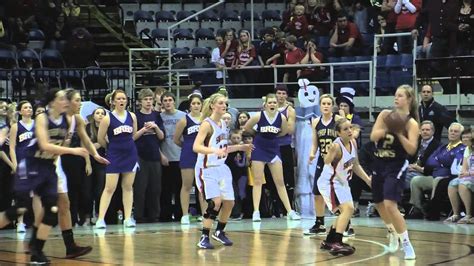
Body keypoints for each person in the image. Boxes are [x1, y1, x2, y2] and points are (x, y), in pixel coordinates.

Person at [0, 89, 89, 263]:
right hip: (31, 164)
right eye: (61, 98)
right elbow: (44, 145)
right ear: (52, 102)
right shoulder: (42, 117)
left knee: (52, 210)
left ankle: (37, 252)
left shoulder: (67, 120)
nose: (66, 101)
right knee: (20, 208)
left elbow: (68, 140)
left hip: (49, 167)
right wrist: (73, 151)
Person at [54, 89, 110, 258]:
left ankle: (70, 246)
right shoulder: (56, 120)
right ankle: (36, 244)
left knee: (64, 204)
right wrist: (74, 151)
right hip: (39, 163)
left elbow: (86, 139)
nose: (80, 104)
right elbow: (44, 145)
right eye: (77, 100)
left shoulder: (77, 119)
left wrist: (96, 155)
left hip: (54, 163)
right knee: (26, 207)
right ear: (68, 102)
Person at [193, 93, 253, 249]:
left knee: (229, 202)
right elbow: (196, 146)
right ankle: (204, 237)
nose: (224, 105)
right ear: (213, 105)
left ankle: (219, 232)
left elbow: (223, 148)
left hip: (221, 167)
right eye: (221, 103)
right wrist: (213, 151)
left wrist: (240, 147)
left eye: (225, 103)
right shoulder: (206, 124)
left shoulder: (224, 124)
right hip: (207, 168)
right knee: (215, 203)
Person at [370, 84, 419, 260]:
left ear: (409, 99)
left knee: (390, 204)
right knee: (378, 202)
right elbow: (373, 136)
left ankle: (407, 244)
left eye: (400, 96)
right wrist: (387, 129)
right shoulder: (385, 115)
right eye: (395, 95)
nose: (396, 98)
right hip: (379, 161)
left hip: (396, 164)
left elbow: (412, 149)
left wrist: (399, 133)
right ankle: (392, 231)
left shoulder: (411, 123)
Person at [244, 94, 301, 222]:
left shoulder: (281, 117)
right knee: (258, 181)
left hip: (274, 149)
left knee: (280, 182)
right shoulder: (259, 116)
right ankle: (256, 212)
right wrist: (257, 135)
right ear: (265, 105)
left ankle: (290, 211)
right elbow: (247, 128)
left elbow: (284, 131)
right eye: (270, 102)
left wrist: (272, 136)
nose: (272, 105)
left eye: (274, 102)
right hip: (259, 148)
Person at [318, 118, 371, 256]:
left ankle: (329, 241)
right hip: (330, 182)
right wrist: (329, 153)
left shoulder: (353, 142)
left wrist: (367, 180)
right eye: (346, 129)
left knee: (346, 211)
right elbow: (326, 161)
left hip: (342, 182)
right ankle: (337, 242)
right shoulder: (336, 146)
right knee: (348, 209)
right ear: (338, 133)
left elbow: (356, 165)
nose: (349, 131)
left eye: (350, 128)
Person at [95, 89, 139, 229]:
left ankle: (127, 218)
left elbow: (134, 134)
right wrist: (109, 148)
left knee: (128, 187)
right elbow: (100, 138)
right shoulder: (107, 118)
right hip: (114, 155)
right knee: (109, 188)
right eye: (119, 99)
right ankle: (101, 219)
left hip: (130, 154)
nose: (121, 101)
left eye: (124, 98)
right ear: (113, 101)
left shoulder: (132, 116)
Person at [306, 94, 342, 235]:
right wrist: (312, 153)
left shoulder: (338, 120)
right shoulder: (315, 122)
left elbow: (345, 140)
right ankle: (319, 223)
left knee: (339, 192)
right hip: (322, 160)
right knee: (317, 192)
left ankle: (345, 223)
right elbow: (315, 143)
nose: (326, 106)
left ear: (332, 106)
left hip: (336, 161)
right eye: (323, 103)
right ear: (320, 106)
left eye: (328, 103)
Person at [133, 88, 165, 223]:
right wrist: (144, 129)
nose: (148, 102)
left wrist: (156, 127)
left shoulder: (157, 115)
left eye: (150, 99)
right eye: (145, 99)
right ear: (140, 102)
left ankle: (154, 215)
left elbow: (162, 136)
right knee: (140, 187)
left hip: (154, 154)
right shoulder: (136, 116)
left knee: (155, 188)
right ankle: (139, 215)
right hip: (140, 155)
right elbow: (133, 137)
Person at [174, 94, 206, 224]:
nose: (196, 106)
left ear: (202, 105)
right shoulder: (184, 120)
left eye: (198, 103)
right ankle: (185, 214)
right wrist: (188, 146)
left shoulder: (206, 120)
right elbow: (176, 139)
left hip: (203, 155)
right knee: (186, 185)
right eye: (193, 103)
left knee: (202, 187)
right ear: (189, 105)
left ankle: (205, 214)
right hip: (188, 154)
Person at [160, 92, 186, 222]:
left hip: (181, 156)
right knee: (166, 190)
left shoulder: (183, 116)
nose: (168, 102)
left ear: (174, 101)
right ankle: (165, 216)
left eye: (170, 100)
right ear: (162, 103)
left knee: (180, 188)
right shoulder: (159, 117)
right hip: (166, 157)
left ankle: (181, 215)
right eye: (165, 100)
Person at [8, 100, 34, 233]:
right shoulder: (16, 127)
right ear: (20, 111)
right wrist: (15, 165)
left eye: (30, 107)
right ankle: (20, 222)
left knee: (36, 194)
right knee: (22, 194)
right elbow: (12, 148)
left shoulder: (37, 124)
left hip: (36, 163)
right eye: (26, 107)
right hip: (22, 162)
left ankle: (37, 222)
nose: (29, 109)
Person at [276, 85, 297, 209]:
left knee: (287, 176)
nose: (281, 96)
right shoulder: (267, 107)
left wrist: (273, 131)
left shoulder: (290, 110)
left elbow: (290, 130)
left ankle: (289, 207)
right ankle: (275, 207)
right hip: (270, 146)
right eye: (279, 93)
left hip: (284, 146)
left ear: (287, 95)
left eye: (284, 93)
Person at [446, 133, 474, 224]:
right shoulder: (468, 148)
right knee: (453, 183)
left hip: (471, 175)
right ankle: (456, 213)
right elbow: (465, 166)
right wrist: (463, 173)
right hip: (469, 174)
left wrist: (468, 173)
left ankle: (468, 214)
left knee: (463, 184)